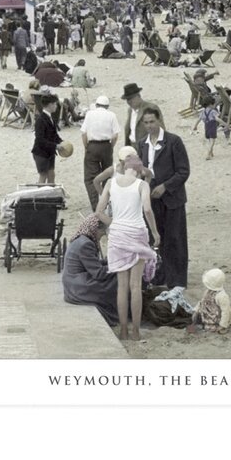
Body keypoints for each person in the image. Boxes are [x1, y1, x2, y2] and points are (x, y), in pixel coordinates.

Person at [96, 146, 159, 342]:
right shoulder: (141, 185)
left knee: (121, 286)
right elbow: (147, 210)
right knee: (135, 285)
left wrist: (113, 223)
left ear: (124, 167)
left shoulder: (111, 183)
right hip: (137, 233)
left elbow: (98, 211)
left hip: (117, 235)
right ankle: (136, 332)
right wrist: (155, 232)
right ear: (139, 170)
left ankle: (123, 330)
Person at [136, 105, 190, 292]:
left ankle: (177, 280)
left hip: (172, 198)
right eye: (146, 123)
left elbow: (183, 171)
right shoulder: (142, 143)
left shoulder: (174, 141)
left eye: (152, 122)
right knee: (154, 238)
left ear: (159, 120)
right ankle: (159, 275)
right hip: (151, 199)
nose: (149, 126)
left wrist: (165, 186)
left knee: (175, 239)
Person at [61, 214, 120, 327]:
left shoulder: (81, 240)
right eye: (102, 232)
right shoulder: (86, 244)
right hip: (78, 287)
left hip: (73, 284)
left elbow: (92, 263)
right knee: (118, 278)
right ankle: (120, 313)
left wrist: (110, 262)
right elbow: (98, 273)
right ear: (95, 229)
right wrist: (118, 266)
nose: (102, 235)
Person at [80, 94, 121, 209]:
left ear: (96, 105)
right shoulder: (111, 115)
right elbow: (115, 135)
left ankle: (96, 206)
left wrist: (86, 147)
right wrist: (111, 146)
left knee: (90, 177)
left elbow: (83, 133)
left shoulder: (90, 114)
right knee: (107, 175)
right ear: (107, 106)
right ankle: (106, 203)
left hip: (92, 145)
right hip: (106, 146)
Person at [32, 93, 62, 185]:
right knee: (43, 175)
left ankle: (50, 196)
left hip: (49, 152)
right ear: (50, 104)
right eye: (55, 104)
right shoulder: (41, 120)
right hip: (41, 153)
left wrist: (62, 142)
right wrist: (56, 146)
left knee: (51, 175)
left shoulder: (49, 117)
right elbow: (40, 140)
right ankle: (39, 197)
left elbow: (54, 134)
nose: (56, 106)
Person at [189, 268, 231, 334]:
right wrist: (196, 310)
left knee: (214, 328)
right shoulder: (208, 291)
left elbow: (226, 311)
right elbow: (202, 302)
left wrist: (222, 325)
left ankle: (223, 327)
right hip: (206, 314)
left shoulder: (222, 296)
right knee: (194, 318)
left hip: (216, 319)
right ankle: (200, 324)